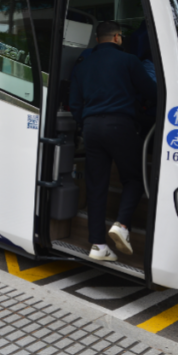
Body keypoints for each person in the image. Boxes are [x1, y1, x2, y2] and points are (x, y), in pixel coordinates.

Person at [69, 21, 157, 262]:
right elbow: (152, 93)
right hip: (120, 125)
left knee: (97, 185)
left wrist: (86, 121)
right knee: (134, 178)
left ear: (98, 39)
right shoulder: (129, 61)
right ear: (117, 37)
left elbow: (75, 102)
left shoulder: (84, 64)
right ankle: (122, 225)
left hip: (91, 128)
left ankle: (98, 245)